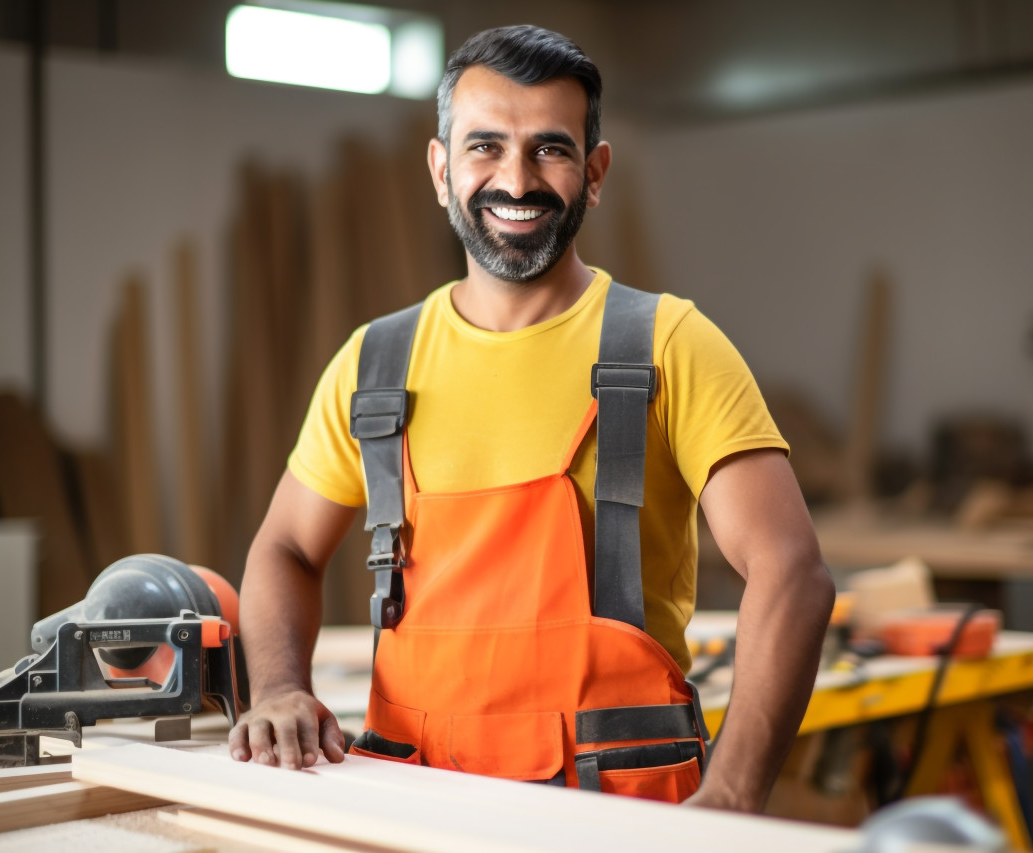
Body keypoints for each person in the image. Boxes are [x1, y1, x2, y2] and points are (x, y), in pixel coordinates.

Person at [228, 24, 834, 813]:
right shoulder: (374, 364)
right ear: (441, 169)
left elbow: (792, 571)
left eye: (550, 148)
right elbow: (283, 547)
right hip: (415, 807)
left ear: (595, 173)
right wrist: (279, 687)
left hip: (617, 810)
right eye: (484, 147)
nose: (515, 179)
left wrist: (732, 793)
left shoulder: (669, 344)